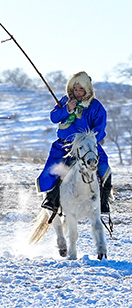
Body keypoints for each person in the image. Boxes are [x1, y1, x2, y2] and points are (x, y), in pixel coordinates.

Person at [37, 71, 112, 215]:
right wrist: (67, 109)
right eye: (75, 89)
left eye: (81, 89)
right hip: (65, 145)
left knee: (105, 167)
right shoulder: (66, 100)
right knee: (54, 169)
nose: (77, 92)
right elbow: (54, 117)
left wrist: (90, 139)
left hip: (87, 145)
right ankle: (51, 199)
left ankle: (103, 201)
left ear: (88, 89)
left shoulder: (95, 106)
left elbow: (100, 128)